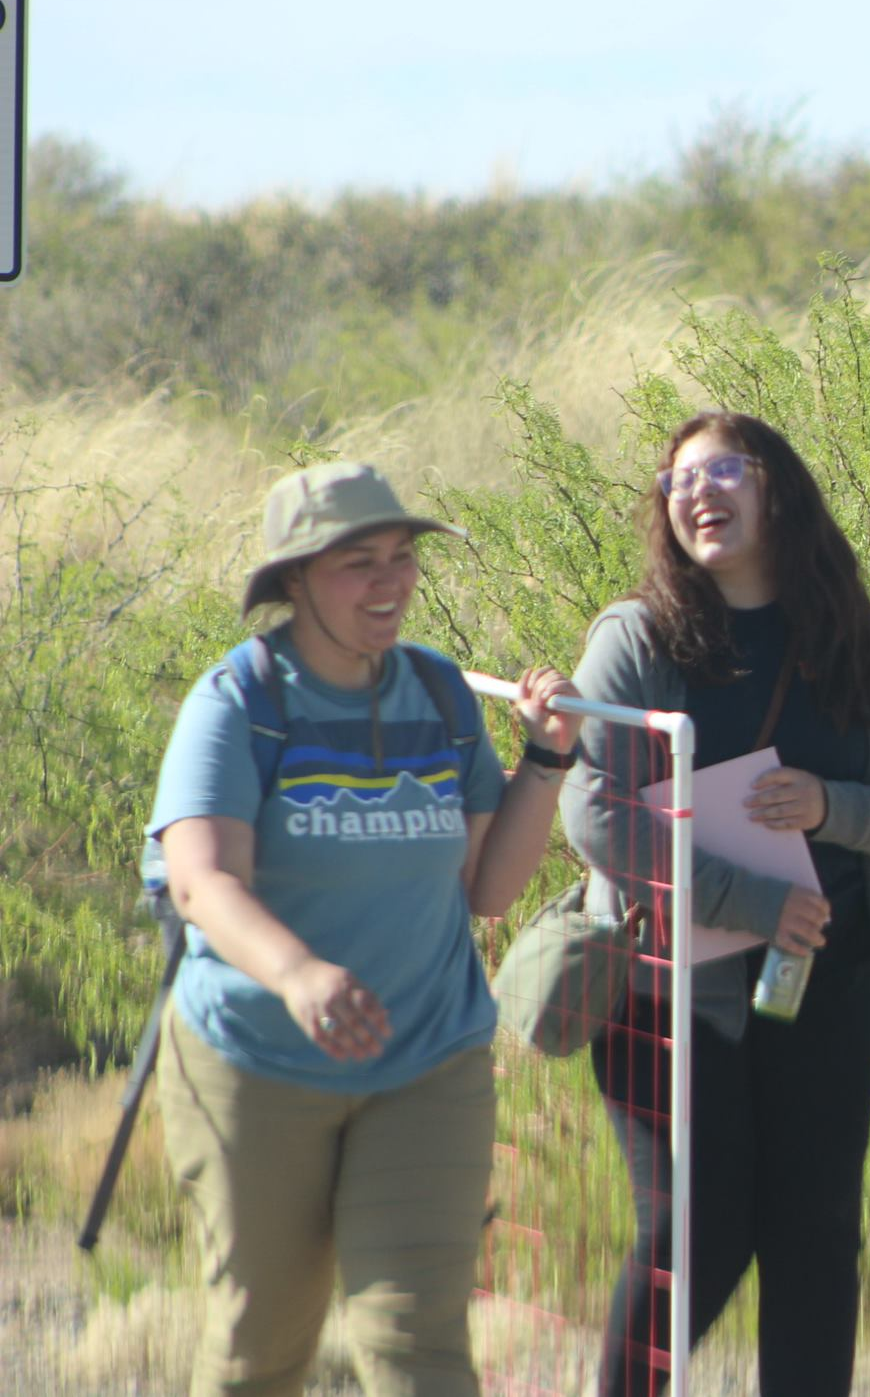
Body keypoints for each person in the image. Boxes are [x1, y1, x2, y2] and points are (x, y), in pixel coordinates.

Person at [150, 461, 585, 1397]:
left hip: (427, 1057)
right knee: (260, 1351)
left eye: (401, 558)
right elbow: (202, 881)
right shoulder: (238, 702)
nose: (390, 583)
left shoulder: (435, 695)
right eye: (359, 563)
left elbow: (485, 891)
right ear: (295, 580)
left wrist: (545, 761)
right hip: (255, 1061)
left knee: (419, 1345)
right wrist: (301, 974)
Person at [564, 409, 870, 1397]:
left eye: (723, 471)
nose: (698, 492)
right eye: (677, 480)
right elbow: (595, 813)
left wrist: (832, 806)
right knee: (692, 1233)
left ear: (775, 488)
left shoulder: (853, 641)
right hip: (665, 984)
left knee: (816, 1240)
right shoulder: (638, 637)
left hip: (830, 977)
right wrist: (750, 900)